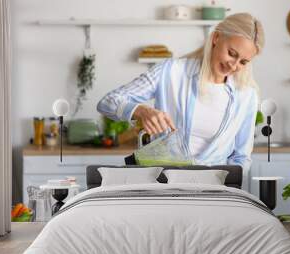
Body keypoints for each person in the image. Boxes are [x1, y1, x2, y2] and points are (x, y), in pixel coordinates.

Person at [97, 13, 265, 170]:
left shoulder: (246, 95)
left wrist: (228, 188)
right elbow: (108, 102)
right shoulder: (170, 72)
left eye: (243, 62)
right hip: (164, 184)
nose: (234, 65)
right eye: (231, 53)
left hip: (215, 190)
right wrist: (140, 110)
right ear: (216, 37)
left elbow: (241, 157)